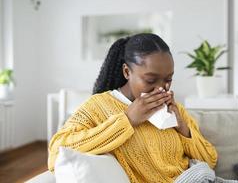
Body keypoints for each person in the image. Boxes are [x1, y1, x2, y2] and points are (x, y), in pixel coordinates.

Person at [48, 33, 218, 182]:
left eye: (168, 80)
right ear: (127, 72)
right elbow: (57, 152)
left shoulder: (175, 108)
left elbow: (209, 160)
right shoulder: (99, 107)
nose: (161, 88)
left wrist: (182, 127)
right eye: (150, 80)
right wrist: (127, 120)